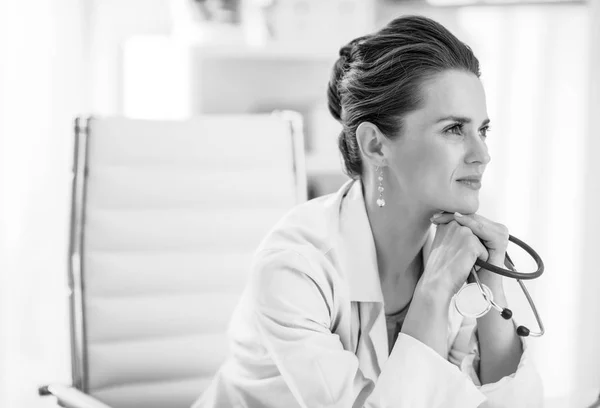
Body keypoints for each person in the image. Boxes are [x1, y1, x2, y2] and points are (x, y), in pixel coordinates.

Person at [192, 14, 543, 408]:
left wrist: (490, 285)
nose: (483, 154)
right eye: (453, 129)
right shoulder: (294, 267)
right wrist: (432, 292)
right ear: (376, 145)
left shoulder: (453, 253)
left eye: (483, 130)